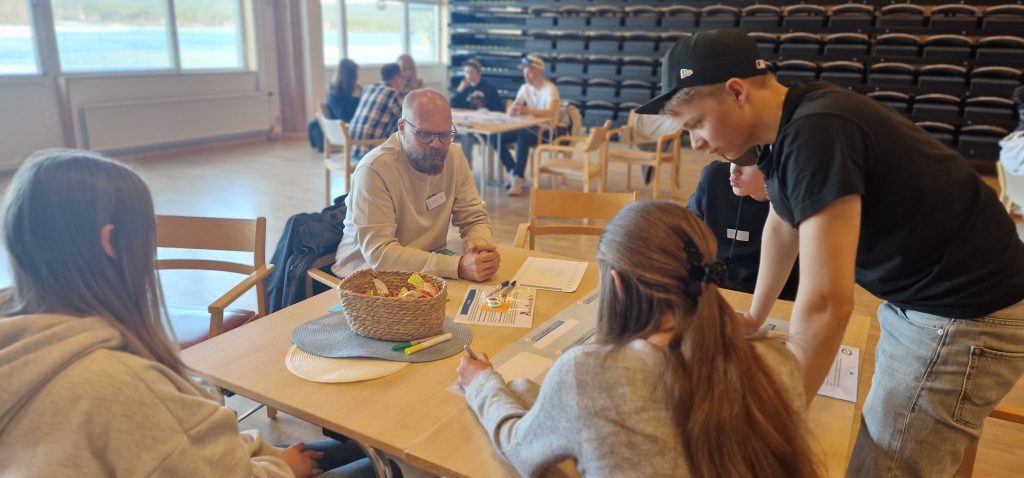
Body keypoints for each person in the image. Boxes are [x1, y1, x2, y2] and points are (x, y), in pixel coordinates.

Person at [635, 29, 1024, 476]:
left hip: (966, 313)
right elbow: (783, 221)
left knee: (884, 464)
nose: (695, 143)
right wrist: (755, 316)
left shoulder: (817, 132)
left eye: (695, 124)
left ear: (736, 92)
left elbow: (826, 303)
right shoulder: (783, 129)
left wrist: (775, 423)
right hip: (929, 296)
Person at [0, 149, 372, 477]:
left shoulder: (23, 347)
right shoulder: (118, 384)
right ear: (110, 243)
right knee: (386, 467)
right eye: (149, 234)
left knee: (358, 447)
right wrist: (280, 469)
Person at [456, 200, 819, 477]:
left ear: (616, 284)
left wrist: (483, 383)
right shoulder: (781, 364)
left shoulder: (588, 373)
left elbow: (521, 449)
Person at [333, 89, 500, 282]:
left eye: (445, 134)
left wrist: (479, 249)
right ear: (402, 128)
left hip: (423, 269)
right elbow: (380, 254)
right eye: (425, 134)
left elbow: (474, 218)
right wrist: (458, 266)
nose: (436, 144)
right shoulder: (374, 169)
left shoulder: (455, 157)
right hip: (364, 278)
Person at [689, 157, 799, 300]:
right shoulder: (714, 178)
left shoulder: (795, 197)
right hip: (714, 290)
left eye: (747, 163)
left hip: (777, 296)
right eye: (733, 159)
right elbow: (684, 231)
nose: (734, 170)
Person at [492, 55, 559, 196]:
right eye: (524, 72)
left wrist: (525, 110)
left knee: (523, 137)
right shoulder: (524, 88)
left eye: (529, 72)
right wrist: (512, 109)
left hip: (546, 129)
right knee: (495, 137)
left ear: (538, 71)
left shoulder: (550, 88)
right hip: (529, 126)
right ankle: (513, 171)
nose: (526, 76)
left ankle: (518, 177)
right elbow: (515, 105)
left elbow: (550, 112)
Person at [450, 58, 504, 168]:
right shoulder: (465, 89)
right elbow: (453, 106)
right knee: (462, 134)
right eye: (466, 72)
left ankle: (465, 169)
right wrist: (459, 91)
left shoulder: (490, 88)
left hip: (485, 126)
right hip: (469, 125)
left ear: (478, 73)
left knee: (468, 135)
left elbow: (499, 109)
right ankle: (465, 169)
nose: (468, 76)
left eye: (471, 72)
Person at [349, 63, 404, 159]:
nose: (404, 81)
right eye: (401, 77)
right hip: (369, 151)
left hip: (352, 149)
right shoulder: (392, 93)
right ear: (396, 78)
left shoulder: (368, 88)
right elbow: (407, 118)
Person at [327, 58, 362, 122]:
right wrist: (355, 96)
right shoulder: (335, 94)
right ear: (349, 77)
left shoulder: (356, 89)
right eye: (355, 75)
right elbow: (345, 117)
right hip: (344, 128)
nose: (357, 78)